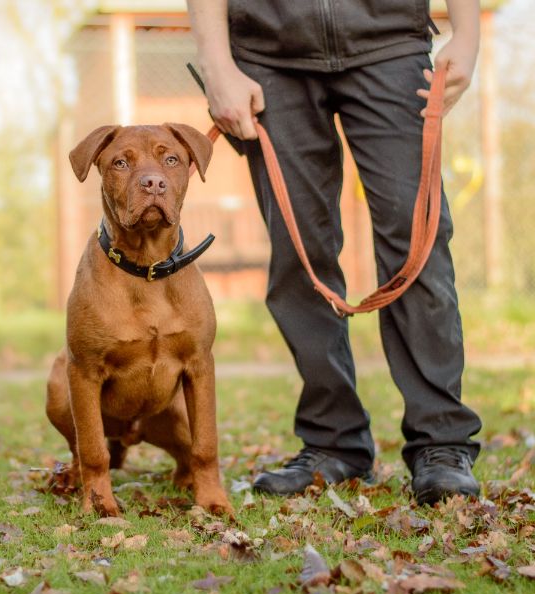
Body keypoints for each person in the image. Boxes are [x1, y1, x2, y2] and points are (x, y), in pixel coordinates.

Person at [186, 0, 483, 505]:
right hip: (268, 55)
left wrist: (468, 34)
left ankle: (442, 442)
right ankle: (332, 442)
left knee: (419, 244)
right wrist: (218, 67)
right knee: (297, 255)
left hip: (388, 42)